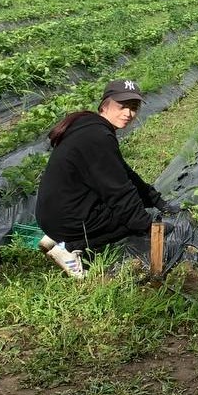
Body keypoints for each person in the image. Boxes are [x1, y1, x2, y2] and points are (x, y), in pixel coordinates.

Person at [35, 79, 175, 278]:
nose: (128, 114)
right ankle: (71, 248)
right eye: (122, 106)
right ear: (105, 105)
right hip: (66, 219)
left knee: (130, 208)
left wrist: (157, 201)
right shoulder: (98, 137)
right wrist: (147, 226)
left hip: (53, 213)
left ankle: (59, 236)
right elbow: (119, 191)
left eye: (133, 108)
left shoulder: (90, 126)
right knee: (128, 219)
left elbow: (124, 172)